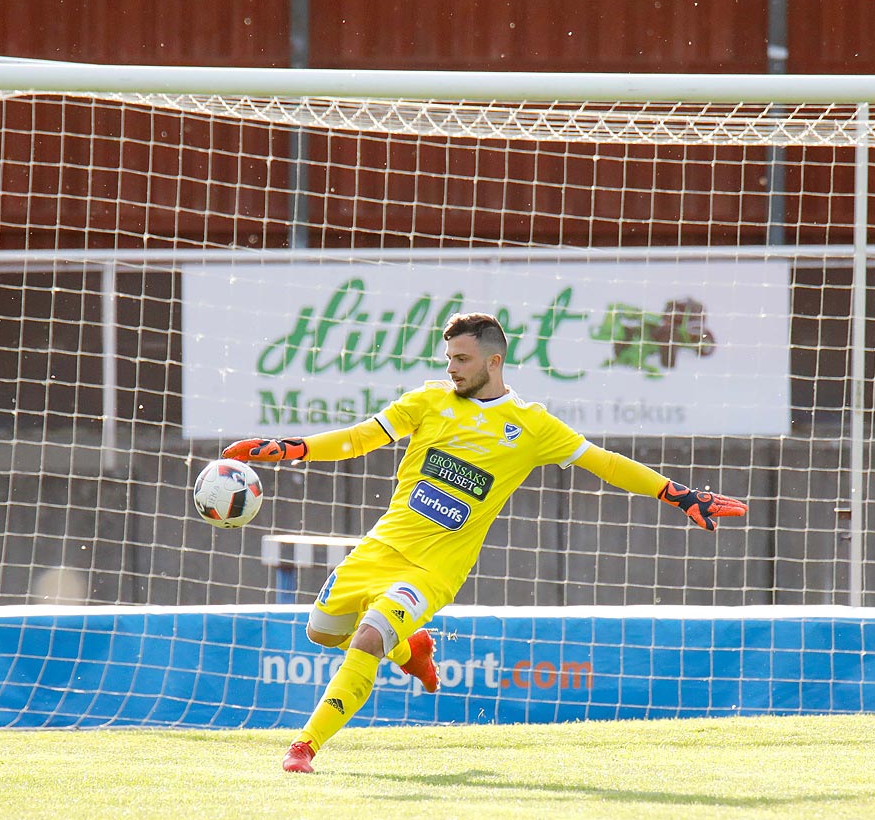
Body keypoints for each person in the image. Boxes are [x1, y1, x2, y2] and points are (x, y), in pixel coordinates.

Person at [222, 311, 748, 775]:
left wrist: (679, 495)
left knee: (367, 638)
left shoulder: (531, 425)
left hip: (433, 571)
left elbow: (604, 463)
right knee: (321, 633)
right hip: (379, 549)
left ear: (494, 361)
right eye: (449, 357)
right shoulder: (428, 401)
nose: (451, 367)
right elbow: (359, 438)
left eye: (462, 358)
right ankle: (412, 651)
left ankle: (304, 747)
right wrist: (286, 448)